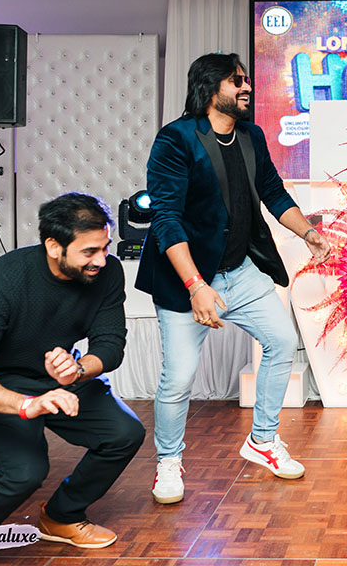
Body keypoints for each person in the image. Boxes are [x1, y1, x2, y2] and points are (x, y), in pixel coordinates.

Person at [136, 52, 331, 505]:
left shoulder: (251, 135)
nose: (247, 87)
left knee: (281, 341)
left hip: (239, 270)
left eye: (245, 79)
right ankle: (168, 461)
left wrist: (308, 234)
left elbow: (273, 192)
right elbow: (166, 219)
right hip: (186, 279)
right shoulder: (176, 139)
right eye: (236, 80)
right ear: (210, 89)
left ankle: (263, 439)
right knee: (178, 378)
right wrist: (195, 286)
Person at [0, 193, 145, 560]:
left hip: (60, 378)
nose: (101, 259)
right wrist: (28, 405)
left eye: (105, 247)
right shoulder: (7, 278)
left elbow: (110, 344)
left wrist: (78, 370)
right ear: (54, 246)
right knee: (24, 472)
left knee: (124, 433)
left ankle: (61, 516)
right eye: (89, 251)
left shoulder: (107, 272)